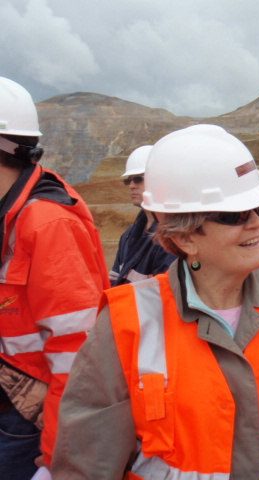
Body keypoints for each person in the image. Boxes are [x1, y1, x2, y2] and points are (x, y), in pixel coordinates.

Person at [51, 124, 259, 480]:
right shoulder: (126, 323)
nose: (258, 224)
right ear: (185, 237)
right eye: (235, 215)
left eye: (258, 208)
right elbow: (86, 466)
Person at [0, 76, 110, 479]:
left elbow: (76, 355)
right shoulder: (9, 215)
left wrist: (56, 457)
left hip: (25, 426)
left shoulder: (46, 224)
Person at [109, 145, 176, 286]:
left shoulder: (172, 239)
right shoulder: (129, 235)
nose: (131, 185)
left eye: (138, 179)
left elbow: (166, 295)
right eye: (129, 180)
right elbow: (115, 284)